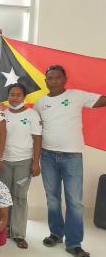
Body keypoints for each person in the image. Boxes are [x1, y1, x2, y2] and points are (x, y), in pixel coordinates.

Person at [35, 65, 106, 257]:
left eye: (58, 77)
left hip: (72, 157)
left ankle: (74, 243)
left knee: (75, 202)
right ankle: (56, 233)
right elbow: (36, 132)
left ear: (64, 79)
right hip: (48, 156)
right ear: (46, 81)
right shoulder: (40, 103)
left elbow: (102, 100)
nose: (54, 81)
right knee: (52, 198)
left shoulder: (77, 95)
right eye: (50, 78)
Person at [0, 83, 42, 249]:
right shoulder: (2, 113)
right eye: (12, 94)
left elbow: (37, 139)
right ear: (8, 96)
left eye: (18, 95)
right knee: (5, 196)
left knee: (20, 196)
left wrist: (36, 162)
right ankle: (5, 228)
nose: (14, 97)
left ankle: (19, 234)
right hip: (5, 162)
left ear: (24, 97)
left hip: (24, 162)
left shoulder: (32, 114)